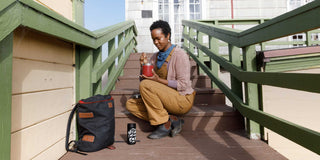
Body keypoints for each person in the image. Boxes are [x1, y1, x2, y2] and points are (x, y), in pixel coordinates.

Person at [126, 20, 195, 139]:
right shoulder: (155, 57)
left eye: (159, 38)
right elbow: (144, 83)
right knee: (131, 104)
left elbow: (183, 85)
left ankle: (163, 125)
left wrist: (158, 80)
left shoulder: (180, 55)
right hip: (165, 99)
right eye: (153, 39)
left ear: (168, 35)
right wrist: (142, 66)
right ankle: (170, 120)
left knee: (146, 85)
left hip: (181, 99)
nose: (156, 42)